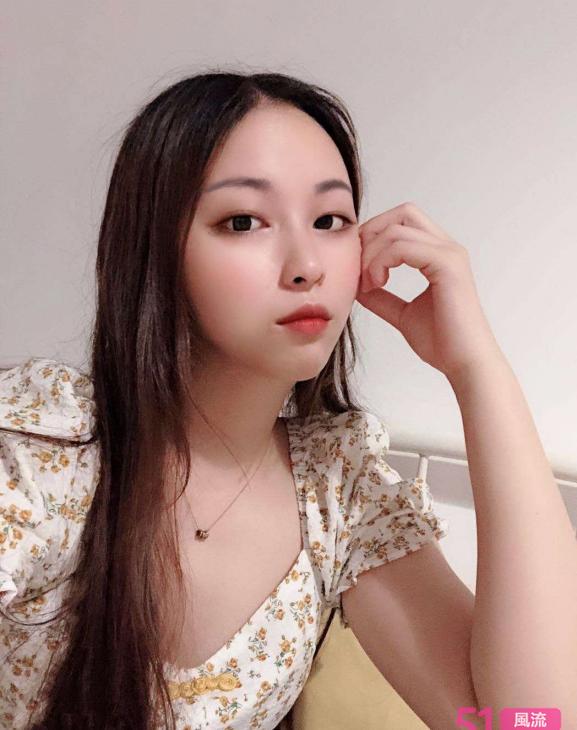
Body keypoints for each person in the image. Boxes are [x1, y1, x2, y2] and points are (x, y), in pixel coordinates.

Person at [4, 70, 574, 730]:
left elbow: (531, 721)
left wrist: (477, 369)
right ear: (154, 250)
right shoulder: (47, 454)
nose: (307, 264)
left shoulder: (336, 494)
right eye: (243, 221)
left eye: (330, 220)